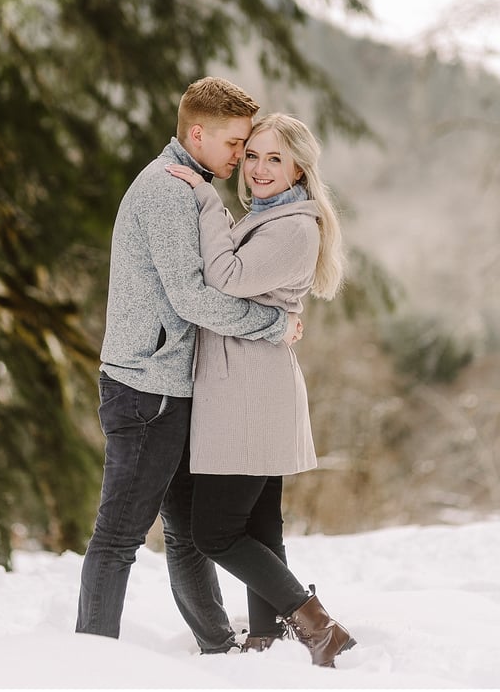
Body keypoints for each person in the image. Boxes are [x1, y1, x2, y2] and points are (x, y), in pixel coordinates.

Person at [75, 78, 301, 653]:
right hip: (145, 388)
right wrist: (275, 327)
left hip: (172, 387)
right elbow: (193, 298)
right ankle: (89, 658)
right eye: (234, 144)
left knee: (186, 535)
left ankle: (218, 645)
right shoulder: (167, 190)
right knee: (120, 535)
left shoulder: (192, 186)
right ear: (196, 134)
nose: (241, 157)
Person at [165, 112, 356, 668]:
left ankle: (318, 626)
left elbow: (224, 277)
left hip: (248, 389)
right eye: (251, 156)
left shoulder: (293, 225)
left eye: (275, 158)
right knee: (259, 525)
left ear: (298, 168)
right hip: (250, 381)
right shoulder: (271, 216)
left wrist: (204, 199)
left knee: (215, 532)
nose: (259, 168)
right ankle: (269, 637)